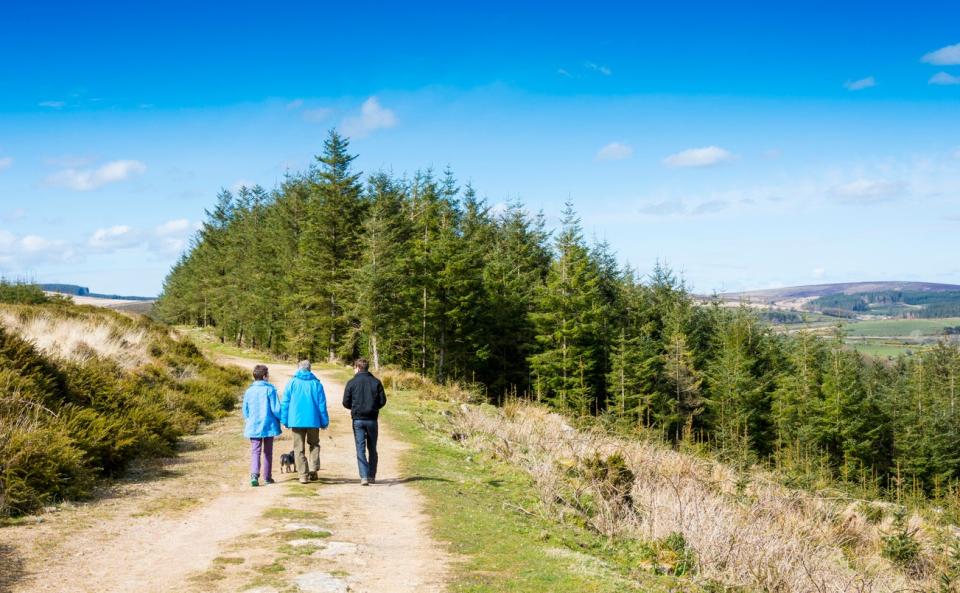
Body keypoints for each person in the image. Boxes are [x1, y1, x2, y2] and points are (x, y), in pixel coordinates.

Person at [280, 360, 330, 484]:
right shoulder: (316, 384)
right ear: (310, 369)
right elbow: (322, 405)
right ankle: (313, 469)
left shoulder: (291, 383)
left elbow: (285, 403)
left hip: (296, 421)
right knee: (314, 444)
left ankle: (303, 475)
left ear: (298, 369)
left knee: (298, 449)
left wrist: (284, 420)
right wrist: (324, 421)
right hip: (313, 420)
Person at [342, 358, 387, 486]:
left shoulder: (351, 382)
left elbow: (345, 402)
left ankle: (364, 477)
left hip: (358, 419)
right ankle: (371, 475)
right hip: (372, 419)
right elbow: (382, 401)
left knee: (360, 448)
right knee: (372, 448)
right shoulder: (376, 382)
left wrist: (355, 408)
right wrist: (373, 408)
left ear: (357, 367)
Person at [242, 364, 281, 487]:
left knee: (255, 451)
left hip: (253, 425)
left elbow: (245, 410)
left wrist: (249, 419)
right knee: (268, 452)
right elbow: (276, 409)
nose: (269, 376)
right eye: (268, 374)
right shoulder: (270, 389)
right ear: (264, 376)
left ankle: (254, 475)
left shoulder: (249, 391)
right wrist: (282, 419)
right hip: (268, 425)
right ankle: (267, 477)